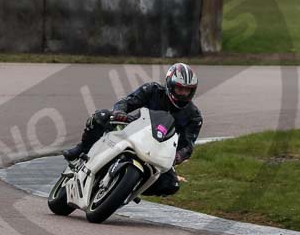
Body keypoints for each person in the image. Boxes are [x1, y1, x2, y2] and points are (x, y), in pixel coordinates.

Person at [63, 63, 203, 197]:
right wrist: (120, 112)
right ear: (169, 85)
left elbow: (188, 145)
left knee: (171, 185)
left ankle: (131, 188)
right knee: (101, 116)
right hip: (133, 130)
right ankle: (82, 149)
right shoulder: (152, 90)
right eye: (180, 89)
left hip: (159, 149)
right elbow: (126, 102)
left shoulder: (194, 116)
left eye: (187, 90)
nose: (183, 94)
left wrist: (178, 156)